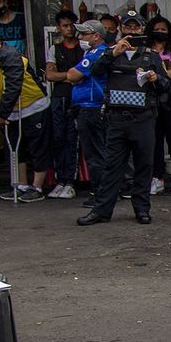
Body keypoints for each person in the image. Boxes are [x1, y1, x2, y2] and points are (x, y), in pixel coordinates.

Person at [77, 13, 171, 225]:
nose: (131, 32)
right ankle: (101, 211)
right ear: (120, 30)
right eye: (128, 28)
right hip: (116, 119)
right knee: (112, 167)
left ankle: (142, 210)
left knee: (143, 166)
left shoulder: (150, 56)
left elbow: (168, 86)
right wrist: (113, 53)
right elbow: (95, 71)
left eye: (136, 28)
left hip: (143, 119)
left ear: (142, 30)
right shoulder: (111, 53)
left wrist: (156, 78)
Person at [0, 29, 50, 203]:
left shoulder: (12, 56)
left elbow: (13, 86)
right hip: (10, 110)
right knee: (15, 147)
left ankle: (37, 187)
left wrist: (1, 113)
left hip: (32, 104)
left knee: (38, 146)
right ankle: (21, 185)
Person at [66, 20, 108, 204]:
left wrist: (74, 76)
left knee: (95, 153)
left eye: (84, 34)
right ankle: (102, 193)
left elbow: (72, 75)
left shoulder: (97, 53)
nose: (80, 38)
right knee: (94, 152)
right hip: (86, 106)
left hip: (92, 108)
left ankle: (101, 194)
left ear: (96, 35)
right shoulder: (90, 52)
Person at [43, 10, 83, 198]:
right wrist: (70, 76)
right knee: (58, 138)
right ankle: (61, 180)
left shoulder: (83, 48)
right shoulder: (55, 49)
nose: (69, 29)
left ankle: (70, 181)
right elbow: (50, 75)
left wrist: (65, 76)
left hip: (77, 97)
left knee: (72, 138)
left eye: (71, 25)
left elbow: (83, 75)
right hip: (59, 97)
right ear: (59, 27)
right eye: (65, 25)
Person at [147, 15, 171, 196]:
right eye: (157, 29)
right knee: (155, 138)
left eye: (164, 29)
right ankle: (157, 177)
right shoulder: (146, 49)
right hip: (152, 96)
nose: (160, 32)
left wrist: (155, 73)